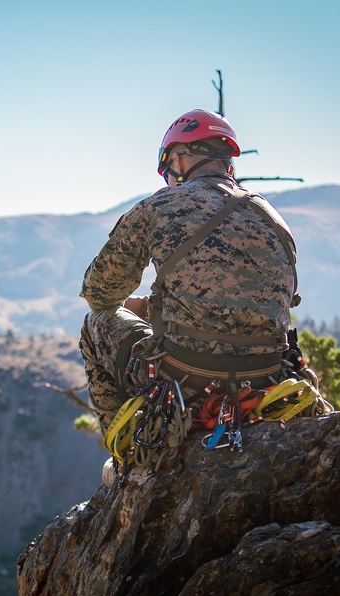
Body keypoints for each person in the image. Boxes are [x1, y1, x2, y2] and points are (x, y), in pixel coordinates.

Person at [79, 109, 306, 455]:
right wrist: (155, 306)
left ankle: (128, 459)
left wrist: (136, 307)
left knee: (94, 324)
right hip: (266, 377)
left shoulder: (159, 206)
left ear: (181, 159)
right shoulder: (275, 220)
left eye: (168, 164)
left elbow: (99, 292)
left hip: (186, 377)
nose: (169, 176)